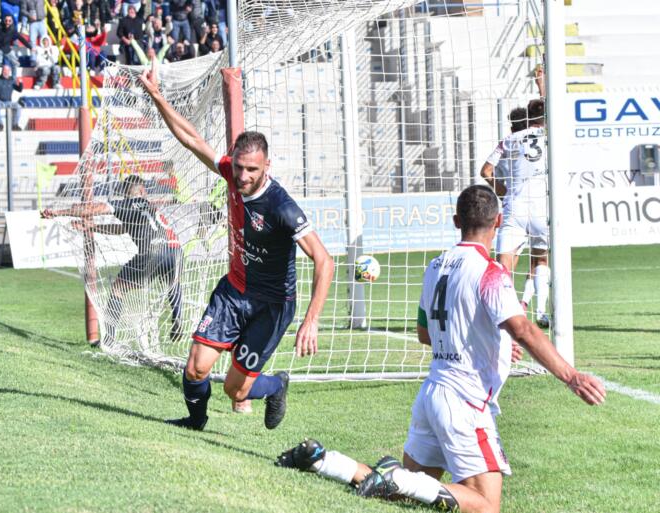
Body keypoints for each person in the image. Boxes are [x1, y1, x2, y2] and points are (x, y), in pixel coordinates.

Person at [276, 185, 606, 513]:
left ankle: (324, 461)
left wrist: (488, 343)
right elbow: (523, 329)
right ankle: (396, 476)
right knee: (486, 506)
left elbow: (424, 333)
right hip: (466, 402)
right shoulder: (491, 273)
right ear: (499, 221)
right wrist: (571, 376)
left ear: (455, 221)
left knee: (412, 493)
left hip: (432, 394)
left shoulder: (436, 266)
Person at [140, 63, 335, 432]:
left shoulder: (281, 207)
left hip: (272, 304)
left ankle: (276, 385)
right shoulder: (230, 171)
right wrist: (156, 96)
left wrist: (311, 321)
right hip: (234, 291)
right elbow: (191, 138)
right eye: (240, 168)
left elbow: (323, 261)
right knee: (196, 366)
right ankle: (194, 424)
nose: (242, 177)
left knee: (235, 389)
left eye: (252, 171)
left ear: (267, 167)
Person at [40, 174, 185, 346]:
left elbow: (91, 209)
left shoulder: (125, 203)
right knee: (173, 282)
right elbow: (121, 229)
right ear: (143, 190)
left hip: (151, 252)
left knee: (118, 289)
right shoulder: (151, 206)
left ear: (126, 192)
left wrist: (59, 212)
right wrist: (93, 227)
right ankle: (178, 316)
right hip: (175, 250)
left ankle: (109, 340)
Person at [480, 99, 550, 328]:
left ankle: (503, 316)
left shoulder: (509, 140)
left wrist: (501, 188)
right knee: (540, 259)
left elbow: (486, 170)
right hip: (542, 206)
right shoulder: (549, 136)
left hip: (514, 206)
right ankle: (541, 312)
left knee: (504, 265)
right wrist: (542, 85)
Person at [0, 63, 22, 130]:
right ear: (2, 71)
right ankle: (0, 125)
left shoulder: (12, 81)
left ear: (9, 71)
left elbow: (19, 90)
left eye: (7, 70)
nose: (5, 72)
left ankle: (15, 125)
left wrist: (20, 83)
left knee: (18, 106)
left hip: (9, 102)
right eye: (4, 70)